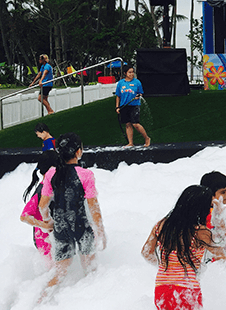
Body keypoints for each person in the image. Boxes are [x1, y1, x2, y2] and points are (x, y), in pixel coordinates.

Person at [38, 133, 106, 299]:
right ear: (78, 152)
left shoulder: (51, 173)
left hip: (60, 228)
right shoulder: (85, 175)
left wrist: (48, 222)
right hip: (81, 227)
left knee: (60, 273)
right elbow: (93, 207)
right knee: (90, 271)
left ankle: (39, 302)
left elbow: (42, 206)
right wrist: (101, 230)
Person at [142, 185, 226, 310]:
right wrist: (220, 217)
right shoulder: (200, 232)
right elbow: (222, 255)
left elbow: (146, 253)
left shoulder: (161, 226)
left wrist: (164, 267)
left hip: (162, 289)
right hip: (187, 291)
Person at [20, 150, 58, 259]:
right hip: (44, 240)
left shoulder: (53, 187)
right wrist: (45, 225)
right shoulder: (41, 191)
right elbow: (24, 216)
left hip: (52, 239)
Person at [199, 171, 226, 259]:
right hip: (217, 261)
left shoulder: (216, 210)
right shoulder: (210, 216)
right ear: (210, 195)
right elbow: (215, 245)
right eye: (223, 192)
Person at [115, 65, 150, 147]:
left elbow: (141, 93)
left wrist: (138, 95)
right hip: (124, 105)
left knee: (135, 124)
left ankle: (147, 138)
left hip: (134, 105)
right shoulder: (120, 83)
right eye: (129, 72)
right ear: (125, 73)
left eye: (132, 72)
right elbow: (118, 96)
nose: (131, 74)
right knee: (127, 124)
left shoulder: (137, 82)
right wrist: (117, 107)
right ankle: (130, 143)